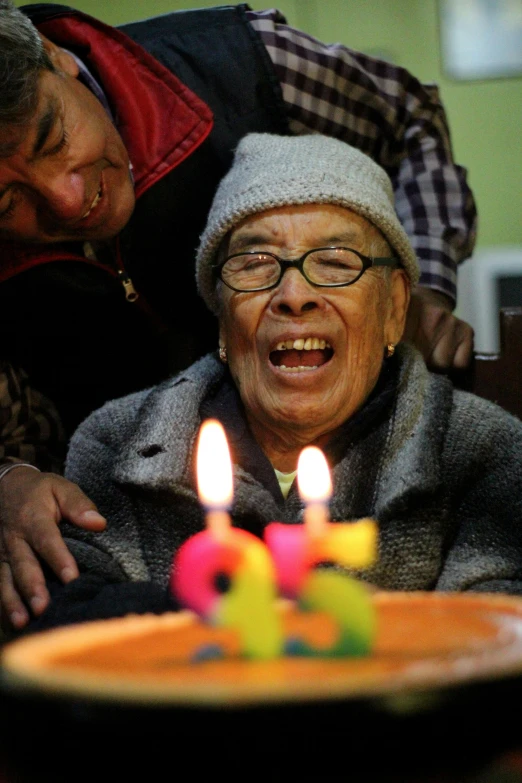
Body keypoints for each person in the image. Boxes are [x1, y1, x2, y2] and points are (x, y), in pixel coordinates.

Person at [0, 1, 477, 630]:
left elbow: (409, 121)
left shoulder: (244, 66)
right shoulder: (108, 447)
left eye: (55, 137)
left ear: (58, 60)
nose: (65, 197)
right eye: (7, 199)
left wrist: (422, 289)